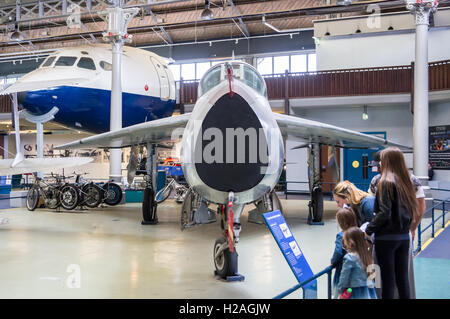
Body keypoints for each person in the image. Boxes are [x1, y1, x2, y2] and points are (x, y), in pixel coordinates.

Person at [368, 150, 427, 299]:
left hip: (385, 237)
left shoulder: (381, 181)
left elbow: (382, 211)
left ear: (387, 161)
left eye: (381, 160)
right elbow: (420, 209)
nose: (379, 164)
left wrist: (368, 230)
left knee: (386, 280)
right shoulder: (410, 180)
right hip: (403, 236)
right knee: (403, 279)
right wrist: (411, 229)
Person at [337, 227, 377, 299]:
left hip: (355, 292)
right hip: (369, 291)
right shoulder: (367, 255)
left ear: (350, 242)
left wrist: (340, 291)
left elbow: (344, 278)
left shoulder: (349, 257)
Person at [331, 207, 358, 298]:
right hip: (356, 269)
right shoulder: (358, 232)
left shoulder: (341, 235)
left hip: (342, 268)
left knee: (340, 291)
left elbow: (338, 252)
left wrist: (333, 261)